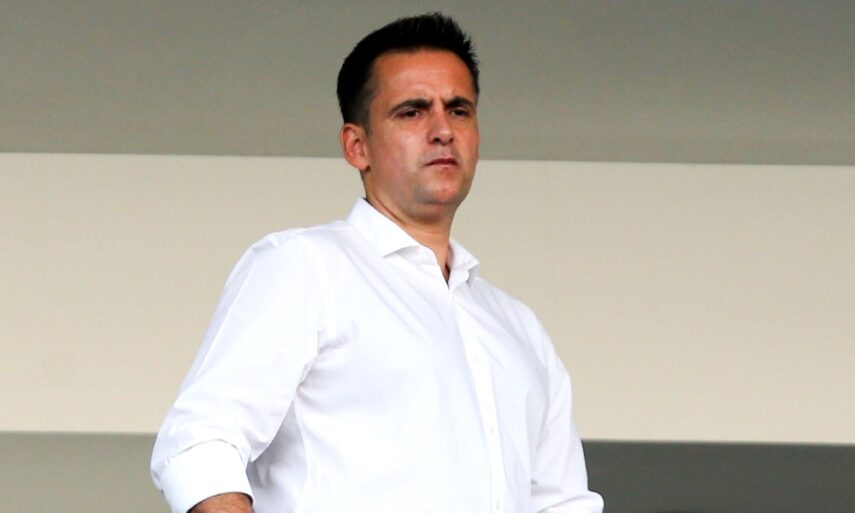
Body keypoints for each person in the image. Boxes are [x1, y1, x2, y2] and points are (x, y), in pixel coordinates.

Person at [151, 12, 603, 513]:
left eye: (459, 110)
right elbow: (200, 444)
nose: (442, 130)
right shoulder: (307, 269)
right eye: (412, 112)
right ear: (357, 145)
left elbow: (563, 503)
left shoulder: (519, 329)